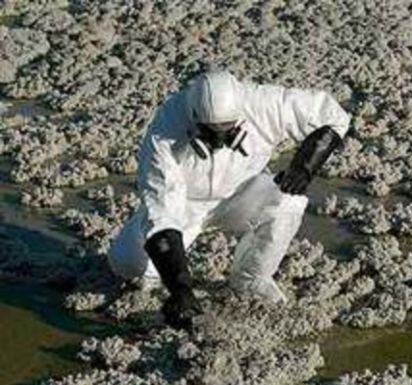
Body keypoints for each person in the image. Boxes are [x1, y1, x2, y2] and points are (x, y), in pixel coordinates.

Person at [108, 69, 351, 329]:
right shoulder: (164, 132)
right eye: (211, 132)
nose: (221, 142)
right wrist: (181, 291)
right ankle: (161, 279)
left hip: (241, 194)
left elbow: (333, 117)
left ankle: (251, 277)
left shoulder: (262, 103)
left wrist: (304, 167)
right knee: (128, 264)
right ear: (193, 118)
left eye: (228, 130)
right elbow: (164, 214)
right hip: (185, 206)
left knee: (288, 200)